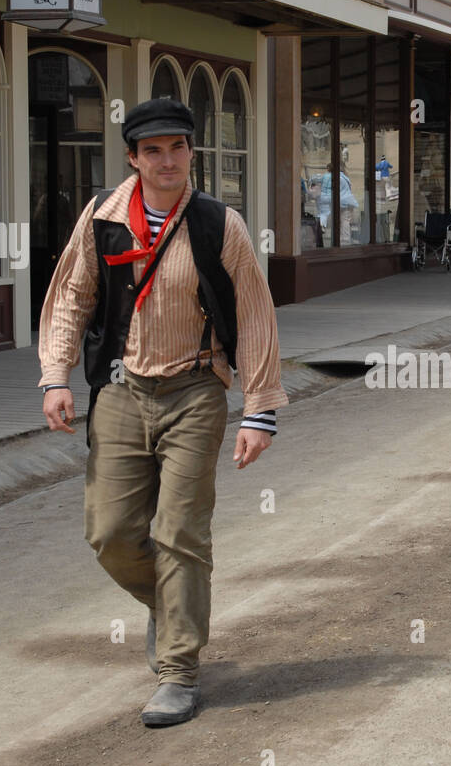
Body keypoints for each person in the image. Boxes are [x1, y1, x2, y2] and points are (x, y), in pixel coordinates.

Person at [38, 98, 287, 728]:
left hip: (195, 390)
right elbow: (72, 294)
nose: (166, 160)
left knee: (180, 532)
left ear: (191, 153)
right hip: (121, 390)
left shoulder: (216, 224)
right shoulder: (101, 220)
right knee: (110, 533)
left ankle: (179, 670)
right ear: (132, 157)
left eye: (177, 148)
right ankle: (170, 605)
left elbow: (255, 315)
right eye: (153, 150)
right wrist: (55, 375)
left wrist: (258, 411)